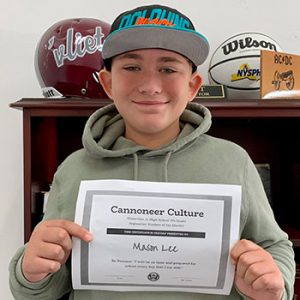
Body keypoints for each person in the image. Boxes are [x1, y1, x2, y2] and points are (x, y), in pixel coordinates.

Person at [9, 4, 295, 300]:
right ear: (107, 82)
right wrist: (31, 273)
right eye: (132, 67)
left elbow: (274, 245)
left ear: (193, 85)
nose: (150, 86)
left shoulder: (233, 161)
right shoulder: (74, 169)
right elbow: (45, 287)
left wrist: (273, 285)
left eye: (168, 69)